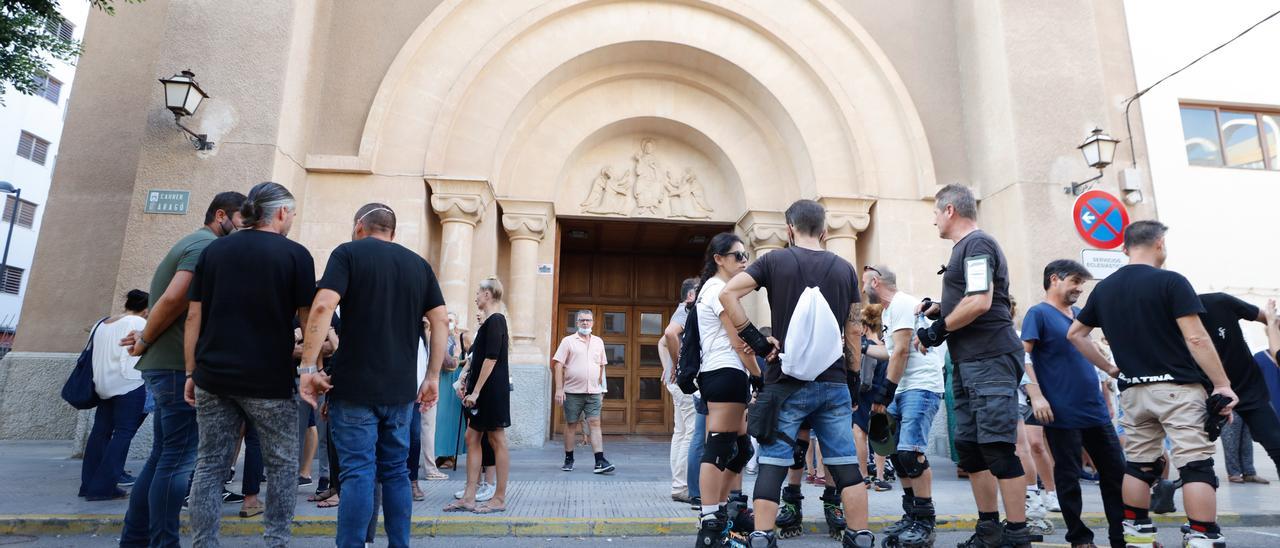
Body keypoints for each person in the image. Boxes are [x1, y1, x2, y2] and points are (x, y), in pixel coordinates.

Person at [1067, 220, 1238, 548]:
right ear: (1159, 243)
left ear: (1124, 249)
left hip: (1133, 393)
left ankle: (1137, 537)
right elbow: (1196, 338)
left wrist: (1111, 369)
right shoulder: (1171, 282)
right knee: (1196, 464)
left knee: (1139, 464)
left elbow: (1075, 333)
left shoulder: (1104, 289)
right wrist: (1222, 384)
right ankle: (1203, 537)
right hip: (1177, 389)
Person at [298, 203, 450, 548]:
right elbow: (440, 321)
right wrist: (430, 376)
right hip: (400, 393)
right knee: (396, 473)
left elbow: (323, 306)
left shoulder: (348, 254)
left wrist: (308, 367)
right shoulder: (418, 265)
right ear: (392, 233)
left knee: (357, 475)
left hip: (353, 389)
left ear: (359, 227)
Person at [720, 198, 870, 548]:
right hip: (833, 382)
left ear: (789, 229)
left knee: (773, 462)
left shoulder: (774, 261)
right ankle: (860, 536)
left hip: (784, 382)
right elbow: (854, 329)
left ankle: (761, 535)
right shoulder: (845, 269)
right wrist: (852, 379)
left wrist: (757, 340)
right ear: (824, 230)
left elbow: (728, 294)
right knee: (846, 466)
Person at [184, 182, 316, 547]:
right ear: (282, 212)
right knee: (283, 467)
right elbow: (309, 320)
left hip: (212, 375)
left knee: (210, 466)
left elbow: (194, 316)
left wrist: (190, 371)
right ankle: (276, 542)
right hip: (268, 380)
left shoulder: (214, 252)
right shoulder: (296, 255)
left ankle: (203, 543)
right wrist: (312, 366)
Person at [118, 191, 245, 548]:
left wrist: (146, 338)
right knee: (178, 461)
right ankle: (163, 542)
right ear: (220, 215)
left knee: (164, 456)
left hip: (167, 367)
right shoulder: (204, 246)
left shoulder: (195, 242)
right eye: (239, 217)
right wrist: (144, 338)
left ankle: (136, 539)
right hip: (176, 367)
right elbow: (176, 299)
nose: (243, 225)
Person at [914, 184, 1029, 548]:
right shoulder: (964, 250)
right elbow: (969, 298)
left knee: (997, 448)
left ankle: (1016, 534)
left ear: (950, 210)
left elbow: (979, 300)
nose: (933, 219)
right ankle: (990, 531)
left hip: (990, 357)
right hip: (968, 360)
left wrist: (938, 329)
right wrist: (940, 309)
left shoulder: (978, 244)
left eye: (935, 212)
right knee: (971, 449)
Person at [1021, 259, 1126, 548]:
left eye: (1082, 283)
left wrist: (1110, 373)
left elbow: (1087, 353)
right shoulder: (1038, 313)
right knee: (1068, 477)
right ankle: (1080, 539)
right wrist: (1037, 395)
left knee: (1116, 473)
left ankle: (1121, 537)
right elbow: (1023, 355)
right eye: (1075, 282)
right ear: (1055, 279)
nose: (1080, 288)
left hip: (1093, 408)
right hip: (1061, 410)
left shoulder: (1079, 314)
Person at [862, 264, 946, 548]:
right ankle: (911, 515)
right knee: (895, 454)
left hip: (920, 386)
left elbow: (901, 351)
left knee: (911, 453)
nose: (863, 290)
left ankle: (925, 522)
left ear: (875, 282)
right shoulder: (888, 311)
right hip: (904, 388)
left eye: (864, 284)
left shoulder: (902, 303)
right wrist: (861, 346)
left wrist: (883, 395)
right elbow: (888, 351)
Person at [691, 233, 762, 546]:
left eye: (746, 256)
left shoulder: (716, 288)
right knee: (719, 446)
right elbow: (739, 341)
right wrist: (759, 375)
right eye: (737, 256)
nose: (744, 261)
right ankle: (710, 525)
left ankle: (722, 514)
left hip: (725, 374)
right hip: (725, 371)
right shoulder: (719, 290)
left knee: (741, 448)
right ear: (719, 258)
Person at [444, 277, 513, 514]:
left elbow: (491, 359)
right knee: (472, 439)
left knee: (497, 440)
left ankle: (499, 498)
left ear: (487, 294)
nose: (475, 297)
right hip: (481, 391)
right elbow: (477, 359)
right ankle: (469, 496)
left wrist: (476, 391)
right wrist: (466, 382)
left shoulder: (496, 321)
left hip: (491, 392)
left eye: (477, 293)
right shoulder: (487, 323)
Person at [1197, 292, 1280, 476]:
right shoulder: (1167, 317)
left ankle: (1247, 472)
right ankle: (1233, 473)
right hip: (1207, 392)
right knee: (1195, 456)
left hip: (1249, 387)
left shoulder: (1218, 302)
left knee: (1276, 443)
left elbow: (1268, 321)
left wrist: (1273, 321)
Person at [80, 289, 150, 501]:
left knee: (100, 433)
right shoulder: (138, 324)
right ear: (146, 309)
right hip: (130, 384)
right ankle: (103, 488)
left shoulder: (101, 323)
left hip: (103, 385)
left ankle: (88, 484)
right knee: (123, 433)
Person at [552, 309, 615, 474]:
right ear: (577, 323)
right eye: (582, 320)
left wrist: (602, 390)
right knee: (571, 424)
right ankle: (569, 458)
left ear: (593, 323)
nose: (585, 323)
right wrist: (559, 389)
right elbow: (558, 364)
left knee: (595, 423)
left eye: (588, 320)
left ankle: (600, 461)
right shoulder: (568, 341)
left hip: (593, 392)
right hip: (572, 392)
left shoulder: (598, 342)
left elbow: (601, 366)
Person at [662, 277, 700, 503]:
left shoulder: (681, 312)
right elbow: (668, 335)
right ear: (690, 296)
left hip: (676, 382)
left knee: (680, 433)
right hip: (685, 383)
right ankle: (682, 485)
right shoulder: (685, 312)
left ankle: (678, 484)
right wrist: (679, 365)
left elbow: (662, 341)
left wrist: (672, 366)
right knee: (690, 434)